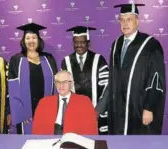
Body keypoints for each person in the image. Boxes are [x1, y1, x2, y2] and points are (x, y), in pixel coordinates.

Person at [97, 3, 166, 135]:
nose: (125, 23)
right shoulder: (116, 44)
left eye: (129, 19)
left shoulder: (151, 45)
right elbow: (113, 78)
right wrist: (102, 106)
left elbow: (156, 79)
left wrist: (149, 107)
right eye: (122, 20)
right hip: (118, 108)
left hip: (139, 107)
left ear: (137, 21)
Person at [8, 22, 58, 134]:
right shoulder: (16, 60)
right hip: (26, 114)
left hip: (46, 111)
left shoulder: (49, 59)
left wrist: (53, 110)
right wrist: (21, 114)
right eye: (28, 38)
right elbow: (13, 89)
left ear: (39, 40)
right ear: (23, 41)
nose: (31, 41)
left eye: (34, 38)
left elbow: (56, 87)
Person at [61, 26, 109, 134]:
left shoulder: (99, 60)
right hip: (74, 113)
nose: (79, 45)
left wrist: (98, 110)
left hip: (96, 112)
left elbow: (107, 87)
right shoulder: (66, 61)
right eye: (76, 42)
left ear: (88, 43)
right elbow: (63, 90)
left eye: (82, 42)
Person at [32, 70, 98, 135]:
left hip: (75, 139)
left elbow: (91, 129)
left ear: (71, 84)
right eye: (58, 82)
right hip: (51, 139)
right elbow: (37, 130)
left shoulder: (84, 101)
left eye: (65, 82)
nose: (61, 85)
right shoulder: (44, 102)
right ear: (55, 84)